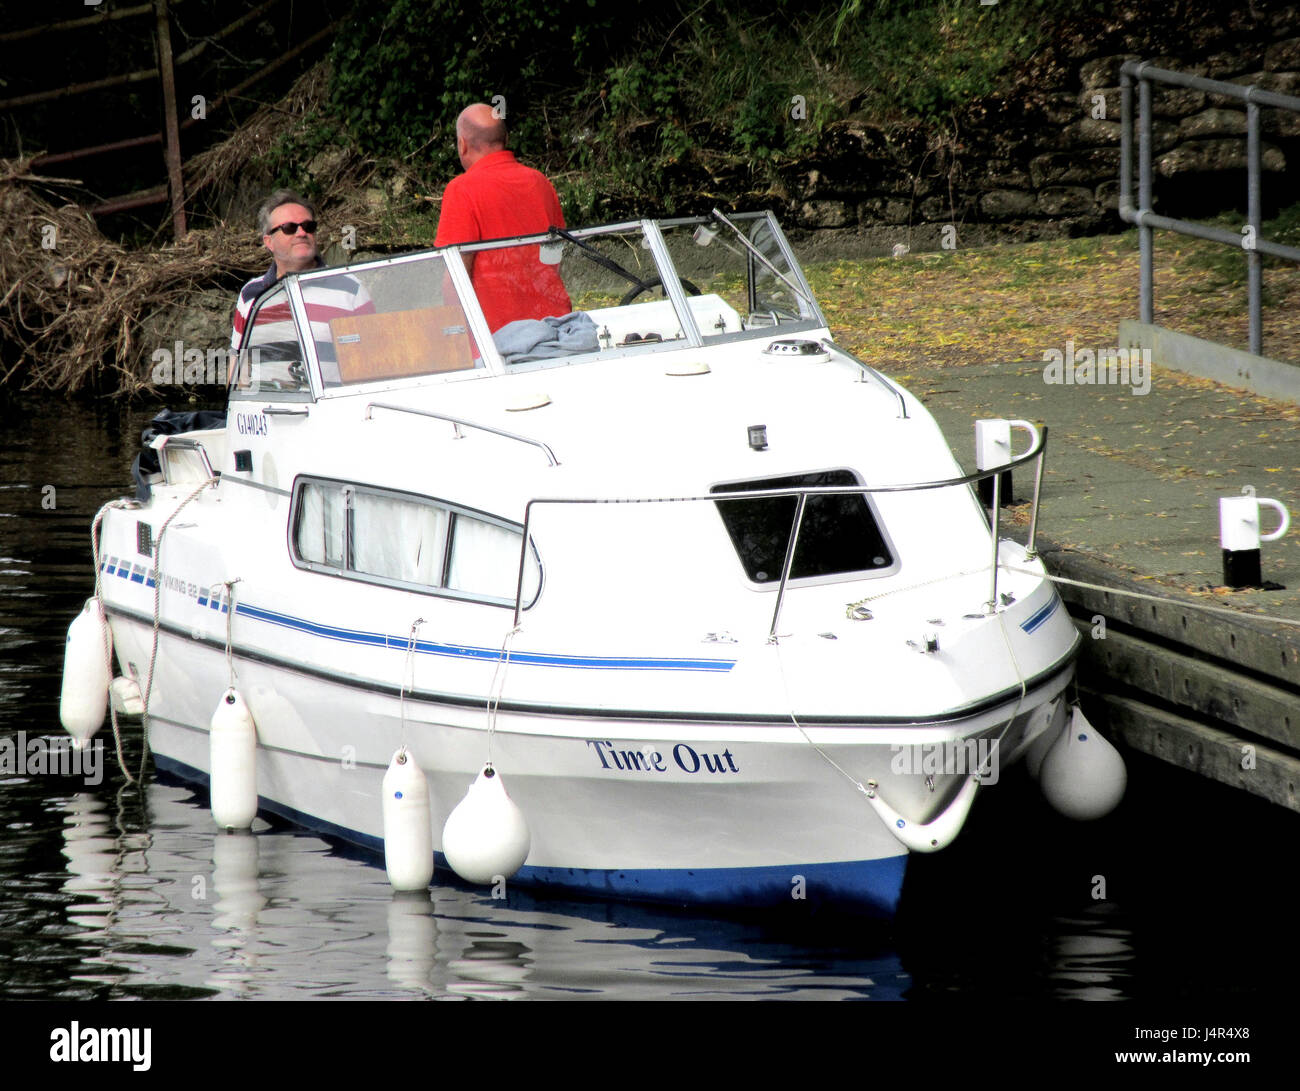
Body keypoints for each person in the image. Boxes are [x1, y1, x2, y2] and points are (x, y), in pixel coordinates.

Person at [434, 104, 571, 333]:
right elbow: (553, 257)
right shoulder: (540, 182)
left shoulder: (461, 190)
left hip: (498, 337)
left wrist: (455, 331)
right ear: (505, 139)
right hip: (555, 326)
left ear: (462, 144)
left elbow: (457, 275)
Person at [230, 190, 373, 384]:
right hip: (266, 408)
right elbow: (238, 365)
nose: (302, 233)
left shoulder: (350, 288)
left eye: (308, 226)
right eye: (290, 228)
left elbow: (372, 361)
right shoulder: (251, 294)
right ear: (268, 242)